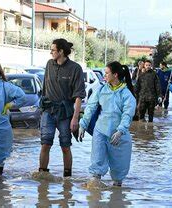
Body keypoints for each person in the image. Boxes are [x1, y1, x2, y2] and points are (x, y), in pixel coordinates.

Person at [78, 61, 136, 187]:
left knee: (119, 169)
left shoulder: (127, 95)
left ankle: (116, 197)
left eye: (107, 73)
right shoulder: (101, 90)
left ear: (115, 75)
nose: (104, 76)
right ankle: (94, 199)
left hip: (118, 134)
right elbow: (90, 107)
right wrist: (83, 124)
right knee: (96, 164)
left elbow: (127, 115)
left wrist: (120, 131)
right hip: (100, 131)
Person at [39, 38, 86, 177]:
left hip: (65, 113)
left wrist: (75, 118)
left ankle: (67, 179)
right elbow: (44, 89)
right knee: (45, 144)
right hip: (48, 111)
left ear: (61, 51)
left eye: (53, 50)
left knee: (65, 146)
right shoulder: (49, 64)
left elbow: (79, 96)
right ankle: (42, 176)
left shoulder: (75, 68)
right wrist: (41, 111)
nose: (51, 53)